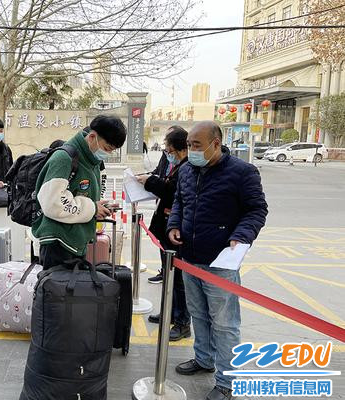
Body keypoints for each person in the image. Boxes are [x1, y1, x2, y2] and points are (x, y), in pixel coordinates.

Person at [167, 121, 268, 400]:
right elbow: (180, 202)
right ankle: (204, 359)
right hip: (190, 259)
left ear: (216, 143)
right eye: (189, 145)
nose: (191, 150)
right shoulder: (187, 169)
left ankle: (227, 381)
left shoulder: (242, 172)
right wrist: (174, 224)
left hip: (221, 262)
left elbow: (257, 210)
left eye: (196, 145)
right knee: (198, 315)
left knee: (224, 324)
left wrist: (241, 235)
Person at [32, 115, 126, 269]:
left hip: (74, 240)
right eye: (107, 148)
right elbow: (53, 203)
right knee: (57, 292)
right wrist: (93, 208)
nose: (107, 153)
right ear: (92, 137)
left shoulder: (91, 160)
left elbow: (80, 195)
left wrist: (98, 206)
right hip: (58, 242)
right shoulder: (63, 158)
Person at [136, 126, 191, 341]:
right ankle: (170, 312)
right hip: (165, 229)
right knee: (170, 277)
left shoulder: (188, 168)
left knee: (178, 280)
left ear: (180, 150)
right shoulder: (176, 166)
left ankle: (182, 321)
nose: (167, 153)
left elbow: (171, 192)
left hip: (176, 233)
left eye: (168, 149)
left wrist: (150, 182)